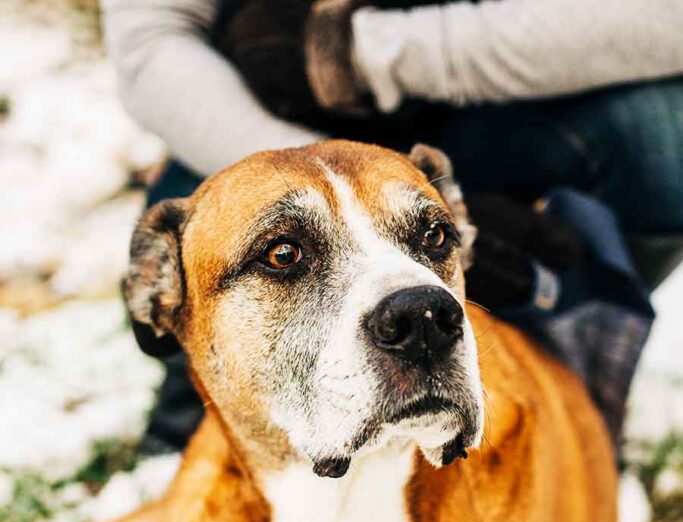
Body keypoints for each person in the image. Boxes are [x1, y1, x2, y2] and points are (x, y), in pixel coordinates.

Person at [102, 0, 683, 454]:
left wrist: (353, 55)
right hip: (261, 126)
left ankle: (569, 374)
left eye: (436, 238)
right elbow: (151, 43)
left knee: (665, 136)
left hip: (505, 100)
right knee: (220, 219)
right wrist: (340, 183)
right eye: (282, 257)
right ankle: (216, 400)